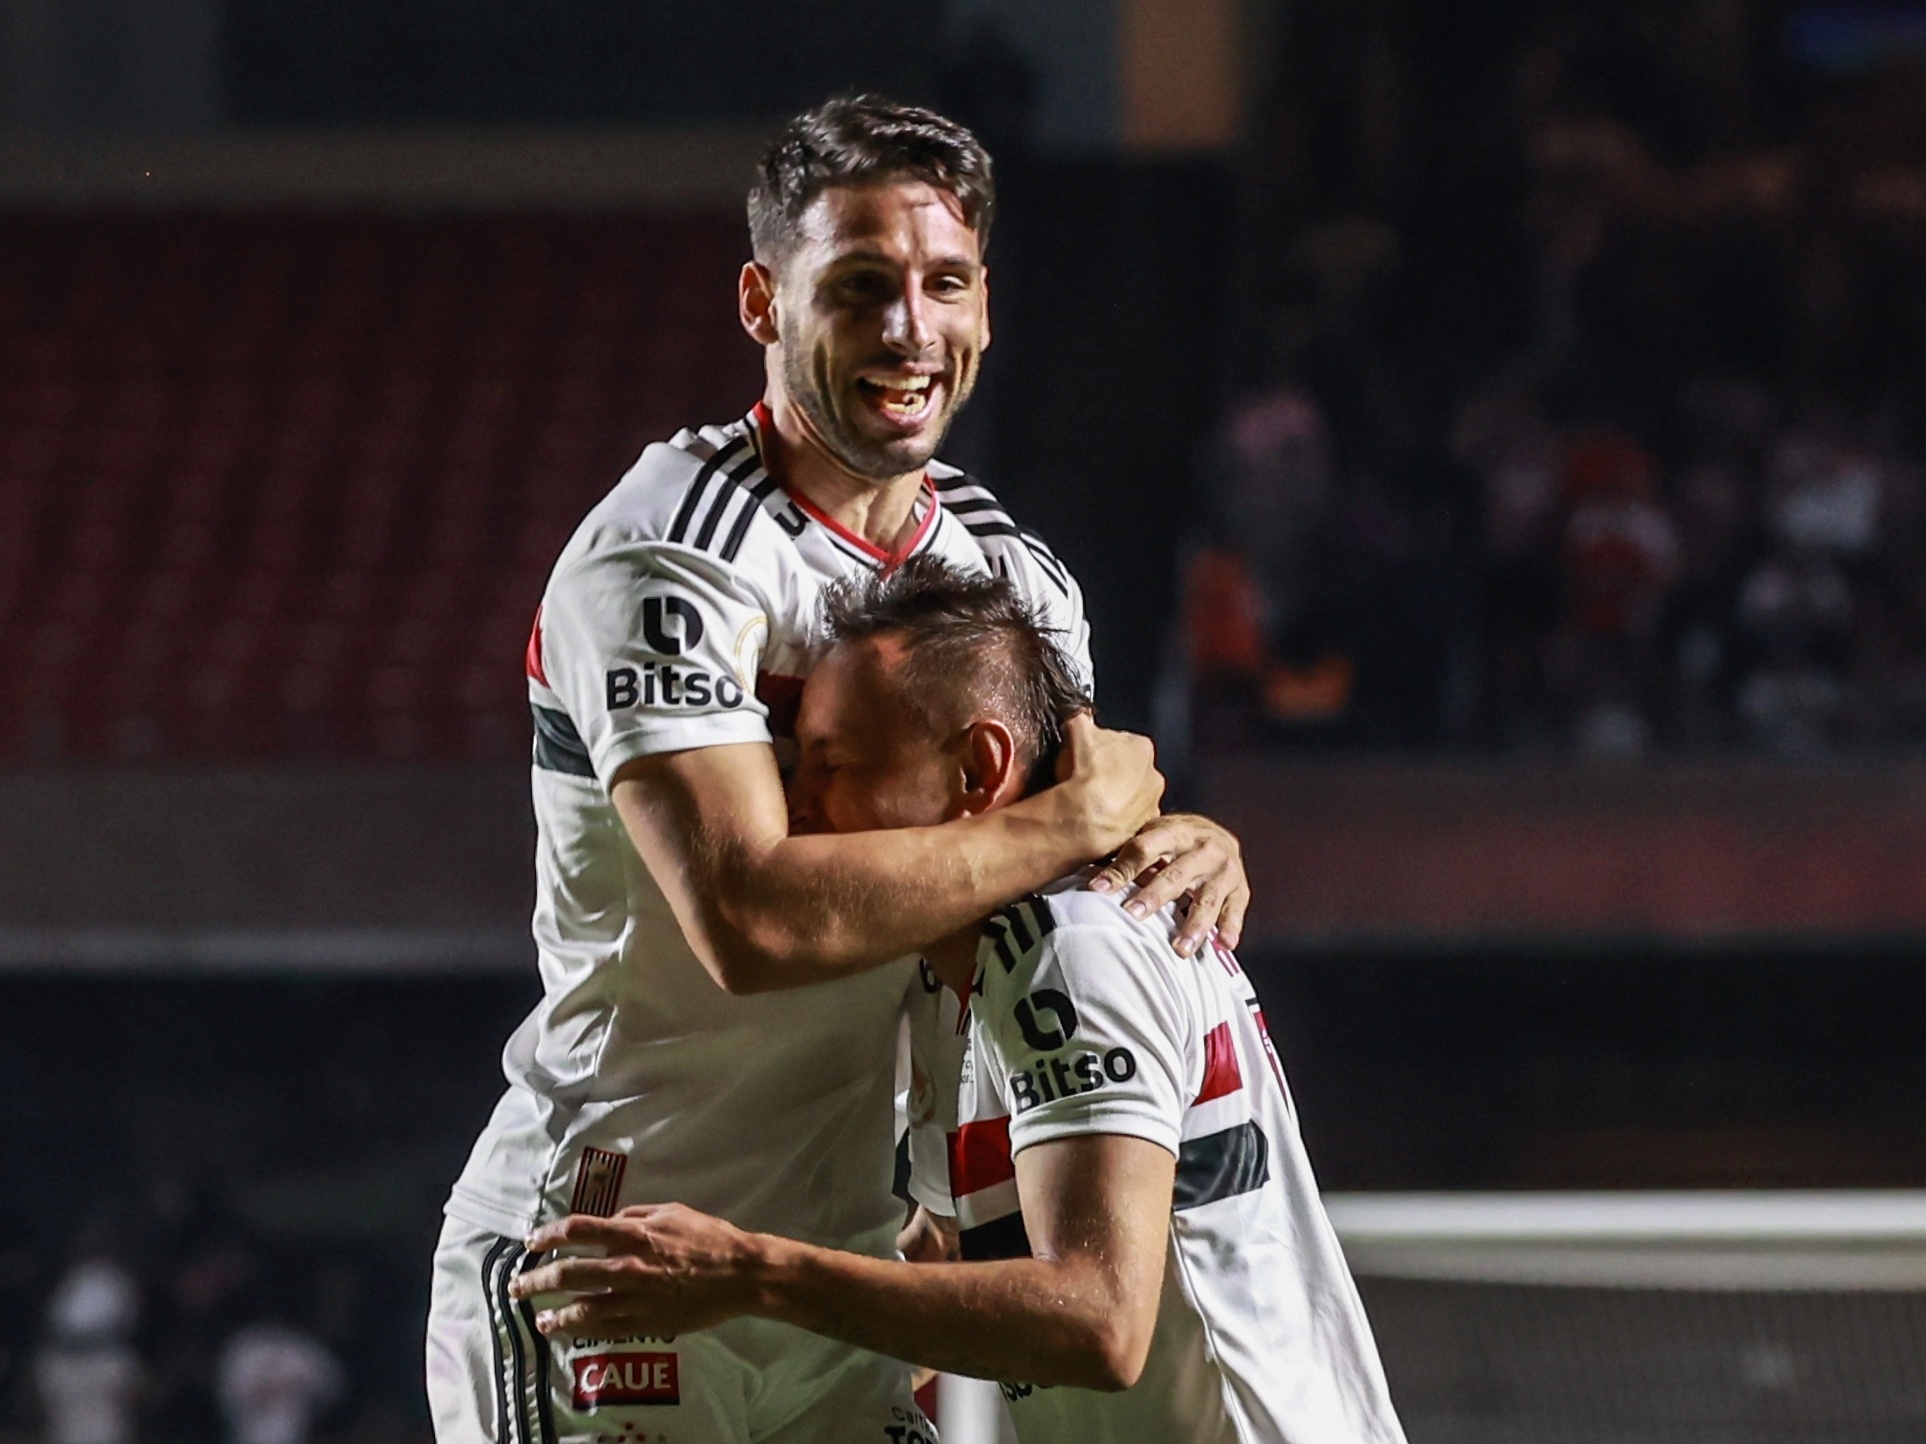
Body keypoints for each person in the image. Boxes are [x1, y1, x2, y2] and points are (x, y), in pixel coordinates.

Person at [428, 96, 1250, 1444]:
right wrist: (1072, 824)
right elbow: (751, 918)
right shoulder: (669, 556)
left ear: (986, 304)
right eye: (858, 286)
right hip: (617, 1257)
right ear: (761, 300)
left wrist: (1184, 845)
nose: (906, 329)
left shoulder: (1017, 577)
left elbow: (1055, 891)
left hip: (842, 1279)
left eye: (942, 284)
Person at [511, 560, 1407, 1444]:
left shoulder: (1075, 943)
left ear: (980, 768)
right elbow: (950, 1259)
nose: (795, 808)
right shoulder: (956, 979)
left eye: (832, 764)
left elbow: (1098, 1317)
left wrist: (751, 1273)